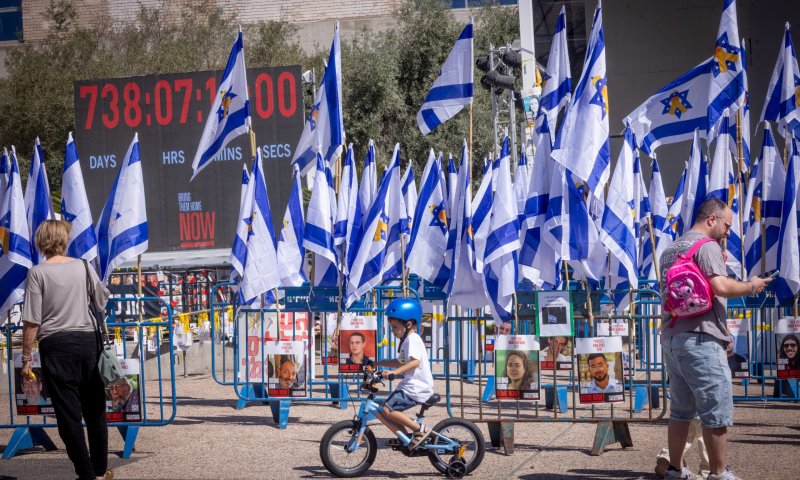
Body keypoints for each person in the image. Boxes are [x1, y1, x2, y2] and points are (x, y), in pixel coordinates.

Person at [658, 199, 771, 480]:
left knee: (680, 411)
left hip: (673, 337)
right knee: (715, 410)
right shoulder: (706, 246)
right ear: (711, 219)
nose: (728, 232)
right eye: (727, 225)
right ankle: (719, 473)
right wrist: (751, 285)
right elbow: (720, 286)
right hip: (701, 339)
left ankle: (675, 470)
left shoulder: (670, 249)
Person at [20, 220, 112, 480]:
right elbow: (101, 300)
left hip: (56, 345)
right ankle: (100, 471)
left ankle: (85, 473)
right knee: (95, 410)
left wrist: (26, 359)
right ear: (64, 239)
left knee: (68, 415)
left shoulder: (37, 273)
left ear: (41, 241)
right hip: (88, 341)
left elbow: (32, 321)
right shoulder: (83, 266)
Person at [374, 298, 435, 449]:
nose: (393, 331)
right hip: (410, 386)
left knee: (387, 409)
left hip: (416, 387)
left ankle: (420, 430)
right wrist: (378, 363)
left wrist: (394, 373)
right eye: (392, 328)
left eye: (395, 327)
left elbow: (415, 362)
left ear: (408, 324)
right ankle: (406, 438)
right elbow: (400, 362)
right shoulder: (407, 340)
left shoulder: (412, 339)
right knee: (388, 411)